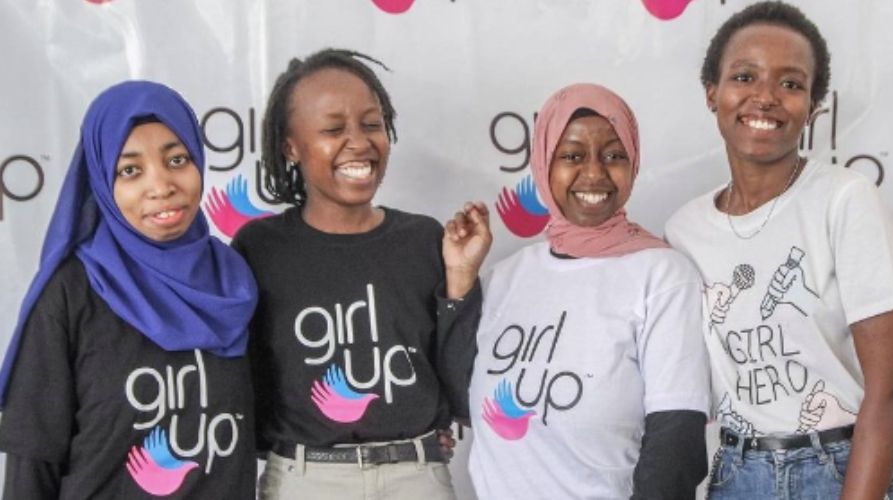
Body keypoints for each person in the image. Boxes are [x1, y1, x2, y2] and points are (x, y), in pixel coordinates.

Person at [664, 2, 893, 499]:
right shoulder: (684, 231)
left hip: (841, 469)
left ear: (814, 106)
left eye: (791, 83)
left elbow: (890, 389)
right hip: (737, 472)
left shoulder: (845, 199)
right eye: (744, 77)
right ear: (712, 93)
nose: (765, 97)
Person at [231, 48, 490, 500]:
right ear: (290, 146)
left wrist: (461, 278)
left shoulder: (423, 239)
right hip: (304, 481)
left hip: (417, 478)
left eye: (371, 124)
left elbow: (461, 391)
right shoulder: (260, 248)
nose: (358, 142)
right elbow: (248, 384)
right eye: (333, 129)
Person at [0, 81, 260, 499]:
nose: (161, 186)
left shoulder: (234, 281)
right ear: (102, 182)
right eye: (130, 171)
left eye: (177, 160)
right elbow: (33, 457)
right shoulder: (71, 292)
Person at [466, 83, 711, 500]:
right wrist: (459, 282)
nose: (595, 173)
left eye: (614, 156)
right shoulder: (502, 278)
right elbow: (456, 402)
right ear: (544, 163)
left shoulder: (663, 275)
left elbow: (676, 439)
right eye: (572, 156)